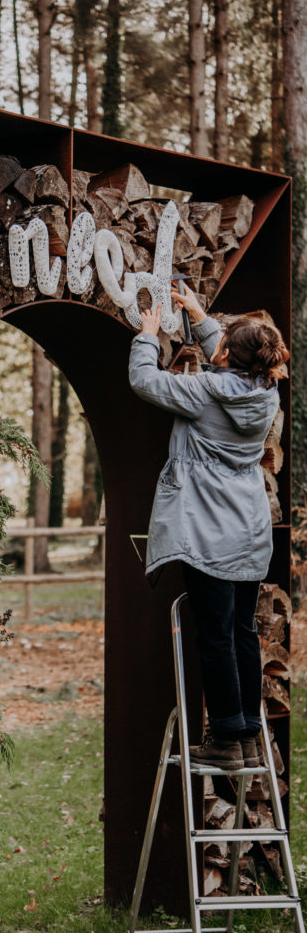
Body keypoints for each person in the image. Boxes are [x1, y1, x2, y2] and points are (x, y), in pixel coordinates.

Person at [128, 282, 290, 771]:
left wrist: (147, 336)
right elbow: (233, 357)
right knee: (241, 631)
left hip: (207, 530)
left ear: (225, 357)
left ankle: (224, 738)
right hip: (248, 529)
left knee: (215, 636)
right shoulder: (266, 391)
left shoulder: (203, 393)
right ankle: (246, 734)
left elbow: (145, 381)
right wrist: (200, 317)